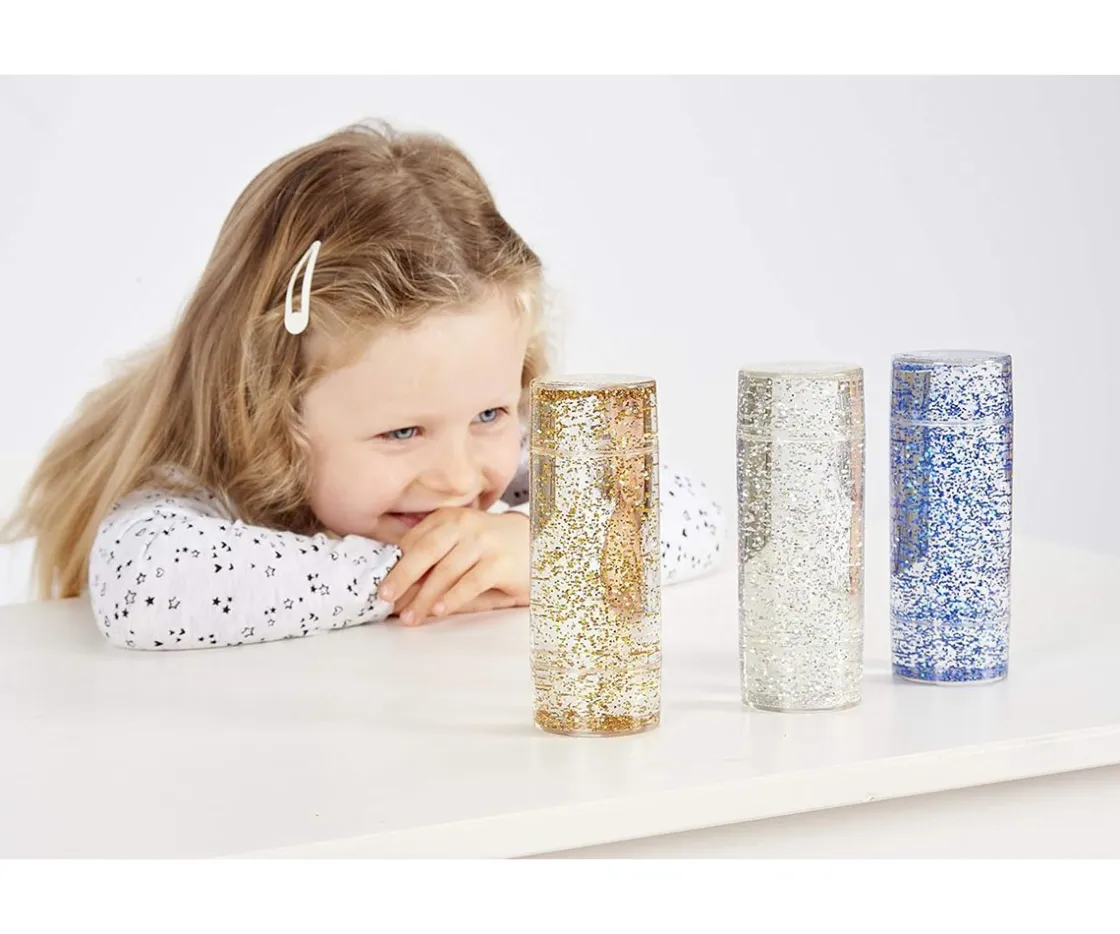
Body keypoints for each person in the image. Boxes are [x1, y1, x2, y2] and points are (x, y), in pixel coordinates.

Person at [5, 121, 724, 650]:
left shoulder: (493, 472)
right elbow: (148, 588)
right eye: (402, 432)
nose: (457, 477)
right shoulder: (208, 490)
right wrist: (445, 573)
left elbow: (697, 511)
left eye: (490, 413)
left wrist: (547, 547)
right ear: (271, 411)